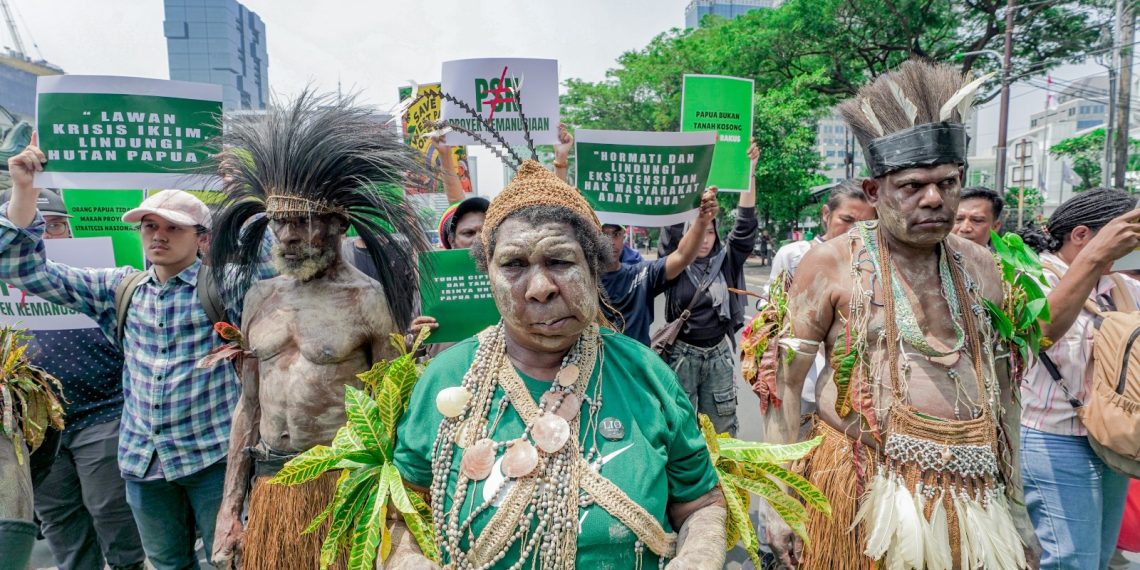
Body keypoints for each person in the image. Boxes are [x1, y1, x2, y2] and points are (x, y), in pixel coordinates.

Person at [759, 61, 1034, 569]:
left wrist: (1015, 508)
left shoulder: (981, 265)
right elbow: (784, 384)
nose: (934, 198)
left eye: (947, 183)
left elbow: (1004, 387)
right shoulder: (830, 263)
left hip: (974, 496)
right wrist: (778, 502)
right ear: (873, 191)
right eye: (911, 186)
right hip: (865, 484)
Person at [388, 160, 727, 569]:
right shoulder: (446, 378)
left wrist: (698, 559)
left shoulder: (646, 375)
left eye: (560, 262)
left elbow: (701, 503)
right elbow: (400, 515)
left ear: (593, 267)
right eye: (513, 265)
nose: (540, 288)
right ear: (488, 273)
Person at [2, 139, 274, 570]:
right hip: (143, 462)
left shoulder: (225, 286)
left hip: (212, 457)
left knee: (232, 561)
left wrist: (238, 190)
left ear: (202, 239)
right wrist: (24, 190)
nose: (159, 236)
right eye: (149, 226)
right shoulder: (119, 289)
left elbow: (268, 261)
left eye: (173, 228)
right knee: (166, 564)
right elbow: (24, 270)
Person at [210, 94, 428, 570]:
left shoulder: (369, 301)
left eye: (302, 224)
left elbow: (393, 416)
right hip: (270, 484)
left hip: (341, 490)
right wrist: (229, 508)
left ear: (337, 225)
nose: (287, 236)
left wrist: (395, 516)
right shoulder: (259, 298)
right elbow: (247, 404)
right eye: (278, 223)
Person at [0, 188, 146, 570]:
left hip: (103, 411)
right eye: (40, 226)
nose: (48, 235)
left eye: (57, 225)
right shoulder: (11, 271)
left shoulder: (93, 278)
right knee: (61, 521)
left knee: (112, 510)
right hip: (36, 425)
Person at [1017, 188, 1140, 569]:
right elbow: (1043, 331)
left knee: (1098, 559)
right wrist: (1095, 257)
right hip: (1053, 437)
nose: (1129, 251)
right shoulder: (1028, 276)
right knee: (1073, 561)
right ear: (1082, 235)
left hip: (1111, 437)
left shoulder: (1123, 286)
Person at [658, 140, 759, 437]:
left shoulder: (726, 261)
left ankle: (721, 485)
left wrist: (748, 170)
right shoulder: (673, 264)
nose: (703, 238)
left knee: (722, 433)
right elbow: (671, 228)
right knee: (682, 431)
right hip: (681, 357)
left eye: (710, 231)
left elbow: (745, 227)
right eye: (696, 232)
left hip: (717, 356)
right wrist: (684, 175)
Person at [599, 188, 718, 345]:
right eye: (603, 234)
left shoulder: (640, 275)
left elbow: (682, 256)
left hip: (636, 367)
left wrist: (701, 222)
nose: (611, 242)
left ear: (623, 237)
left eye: (616, 234)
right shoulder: (581, 279)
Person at [767, 180, 874, 288]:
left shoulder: (874, 263)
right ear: (826, 213)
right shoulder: (793, 255)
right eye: (846, 220)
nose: (854, 230)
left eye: (867, 224)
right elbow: (769, 301)